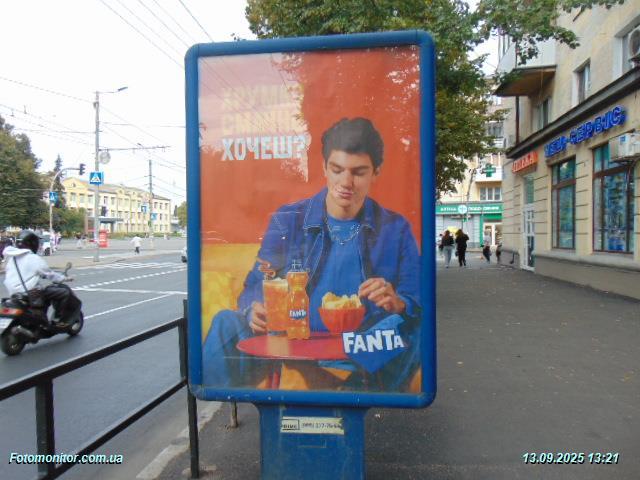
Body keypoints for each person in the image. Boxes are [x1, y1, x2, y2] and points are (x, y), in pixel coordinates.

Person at [203, 117, 421, 392]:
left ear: (376, 172)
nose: (346, 182)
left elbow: (417, 297)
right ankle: (221, 403)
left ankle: (352, 394)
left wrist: (399, 303)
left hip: (362, 343)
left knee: (419, 327)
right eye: (337, 169)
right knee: (225, 322)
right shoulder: (288, 219)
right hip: (293, 336)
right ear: (324, 168)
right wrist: (252, 310)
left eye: (359, 172)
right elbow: (256, 284)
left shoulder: (395, 228)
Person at [2, 230, 79, 325]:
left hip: (14, 294)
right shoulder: (33, 258)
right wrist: (64, 278)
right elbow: (50, 274)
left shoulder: (11, 258)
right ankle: (58, 320)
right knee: (64, 292)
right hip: (30, 293)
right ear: (32, 243)